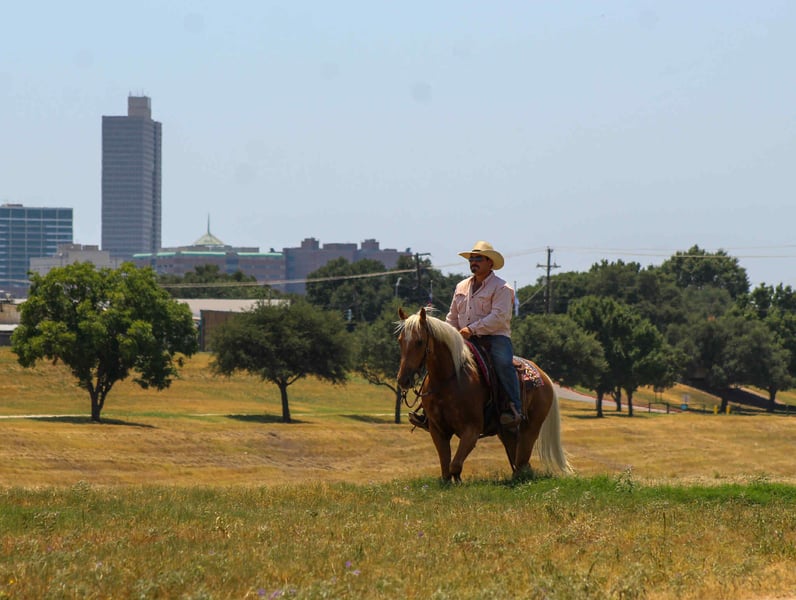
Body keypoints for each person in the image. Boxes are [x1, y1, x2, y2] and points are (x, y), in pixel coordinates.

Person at [446, 241, 523, 428]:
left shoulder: (502, 288)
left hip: (494, 338)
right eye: (471, 259)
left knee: (503, 363)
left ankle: (513, 407)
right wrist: (449, 334)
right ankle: (429, 408)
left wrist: (472, 329)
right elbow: (452, 316)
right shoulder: (461, 286)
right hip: (464, 338)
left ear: (490, 262)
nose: (473, 262)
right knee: (438, 358)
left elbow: (498, 317)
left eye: (478, 259)